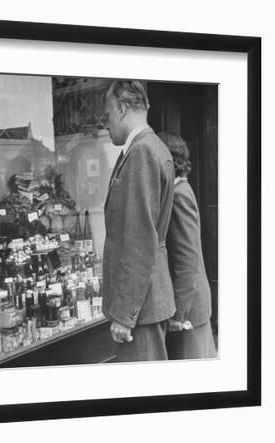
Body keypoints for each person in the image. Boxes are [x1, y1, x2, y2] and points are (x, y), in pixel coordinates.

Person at [101, 80, 176, 362]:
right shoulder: (151, 147)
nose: (105, 124)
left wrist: (124, 315)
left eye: (107, 115)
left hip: (141, 308)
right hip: (146, 302)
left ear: (121, 109)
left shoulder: (142, 152)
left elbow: (138, 238)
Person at [158, 131, 217, 360]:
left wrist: (179, 314)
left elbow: (187, 258)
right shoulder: (178, 190)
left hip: (189, 311)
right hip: (191, 306)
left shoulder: (178, 194)